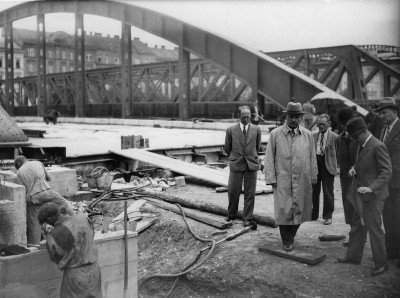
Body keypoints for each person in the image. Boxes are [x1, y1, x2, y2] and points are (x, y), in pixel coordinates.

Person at [337, 117, 392, 277]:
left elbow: (386, 171)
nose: (353, 139)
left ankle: (381, 264)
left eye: (355, 136)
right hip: (360, 194)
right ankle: (353, 256)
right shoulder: (362, 144)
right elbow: (363, 163)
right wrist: (354, 168)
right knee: (356, 225)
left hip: (373, 196)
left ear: (364, 132)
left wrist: (371, 188)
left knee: (374, 229)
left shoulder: (378, 146)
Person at [264, 102, 318, 252]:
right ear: (286, 117)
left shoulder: (307, 135)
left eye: (297, 117)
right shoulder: (276, 134)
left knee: (300, 208)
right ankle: (287, 239)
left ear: (301, 118)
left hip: (302, 178)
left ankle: (291, 235)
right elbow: (268, 157)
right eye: (291, 117)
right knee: (284, 210)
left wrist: (313, 176)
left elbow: (312, 157)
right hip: (283, 179)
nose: (294, 120)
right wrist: (271, 178)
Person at [38, 202, 102, 298]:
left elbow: (56, 258)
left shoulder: (54, 235)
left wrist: (48, 239)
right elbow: (91, 234)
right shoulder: (82, 218)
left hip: (75, 276)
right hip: (94, 270)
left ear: (49, 219)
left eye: (46, 222)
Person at [14, 155, 73, 245]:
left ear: (18, 164)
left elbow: (22, 189)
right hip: (47, 192)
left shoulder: (19, 172)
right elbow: (49, 178)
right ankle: (75, 223)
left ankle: (35, 244)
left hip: (34, 197)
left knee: (34, 222)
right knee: (65, 204)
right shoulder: (38, 163)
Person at [224, 106, 261, 227]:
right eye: (244, 116)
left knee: (250, 192)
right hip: (236, 163)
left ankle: (247, 217)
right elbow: (227, 148)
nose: (246, 119)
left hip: (251, 163)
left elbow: (257, 146)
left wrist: (251, 156)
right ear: (238, 116)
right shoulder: (231, 130)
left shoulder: (256, 129)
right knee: (233, 191)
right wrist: (235, 157)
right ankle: (231, 215)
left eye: (248, 116)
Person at [376, 97, 400, 268]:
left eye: (384, 112)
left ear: (394, 111)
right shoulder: (383, 131)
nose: (382, 116)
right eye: (380, 113)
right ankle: (392, 251)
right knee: (389, 218)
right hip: (386, 184)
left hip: (398, 183)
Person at [335, 107, 357, 246]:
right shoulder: (340, 138)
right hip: (345, 179)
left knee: (357, 208)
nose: (344, 126)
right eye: (342, 124)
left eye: (346, 123)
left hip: (358, 179)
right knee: (348, 207)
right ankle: (353, 234)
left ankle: (356, 237)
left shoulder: (359, 138)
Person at [311, 114, 338, 225]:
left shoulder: (335, 137)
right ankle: (313, 215)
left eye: (323, 124)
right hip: (316, 164)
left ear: (329, 124)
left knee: (328, 192)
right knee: (314, 191)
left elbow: (339, 153)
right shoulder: (313, 136)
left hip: (328, 166)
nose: (321, 126)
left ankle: (328, 216)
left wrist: (336, 166)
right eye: (319, 124)